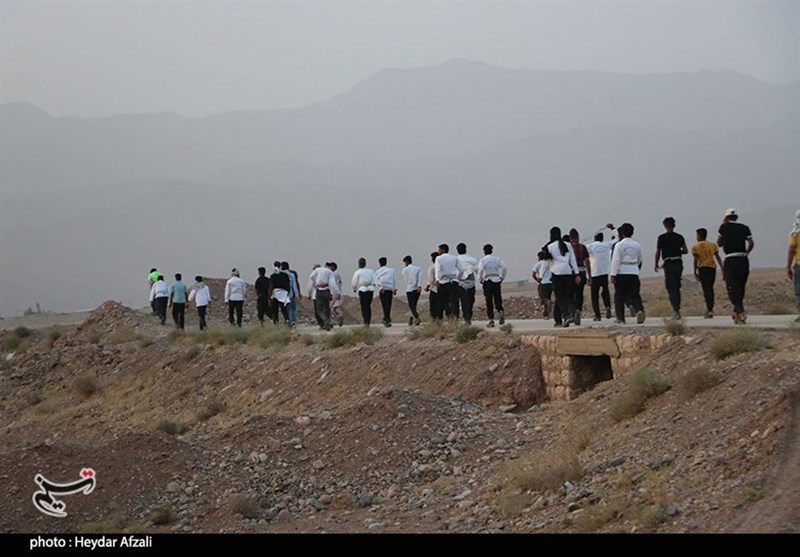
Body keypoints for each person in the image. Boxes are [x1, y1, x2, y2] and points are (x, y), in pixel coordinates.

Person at [717, 208, 754, 324]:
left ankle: (740, 311)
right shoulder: (744, 228)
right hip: (743, 259)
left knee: (732, 286)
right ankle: (736, 313)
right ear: (736, 217)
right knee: (740, 285)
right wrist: (746, 253)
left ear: (727, 217)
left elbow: (718, 243)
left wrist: (724, 225)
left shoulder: (723, 227)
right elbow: (751, 243)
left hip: (730, 259)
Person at [610, 222, 646, 325]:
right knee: (635, 294)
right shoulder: (637, 245)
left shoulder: (619, 245)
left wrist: (613, 274)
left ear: (621, 233)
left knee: (619, 296)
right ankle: (639, 310)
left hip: (621, 271)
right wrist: (635, 268)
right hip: (633, 271)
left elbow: (615, 260)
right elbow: (640, 259)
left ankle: (620, 318)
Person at [544, 228, 581, 327]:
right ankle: (560, 319)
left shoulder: (549, 247)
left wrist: (541, 275)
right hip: (568, 272)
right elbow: (573, 260)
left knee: (559, 297)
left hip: (556, 273)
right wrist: (577, 274)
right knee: (567, 296)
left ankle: (568, 314)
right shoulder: (568, 245)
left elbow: (547, 263)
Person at [654, 217, 688, 320]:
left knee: (671, 287)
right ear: (674, 225)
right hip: (678, 262)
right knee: (677, 287)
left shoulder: (661, 238)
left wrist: (656, 264)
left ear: (664, 225)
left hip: (668, 263)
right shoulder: (679, 237)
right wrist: (677, 251)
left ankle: (676, 310)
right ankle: (677, 309)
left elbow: (658, 252)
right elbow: (685, 250)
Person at [691, 228, 723, 319]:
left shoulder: (695, 247)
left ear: (699, 236)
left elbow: (695, 260)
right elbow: (717, 257)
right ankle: (710, 308)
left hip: (703, 269)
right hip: (712, 268)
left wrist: (694, 272)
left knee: (706, 289)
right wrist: (722, 268)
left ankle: (709, 309)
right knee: (710, 288)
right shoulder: (712, 245)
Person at [586, 226, 616, 321]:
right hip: (604, 272)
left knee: (594, 295)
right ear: (602, 238)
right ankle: (607, 306)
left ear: (595, 238)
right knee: (605, 291)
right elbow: (617, 238)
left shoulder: (590, 246)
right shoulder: (607, 245)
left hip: (595, 273)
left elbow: (581, 249)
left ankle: (597, 315)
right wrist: (613, 229)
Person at [477, 243, 507, 328]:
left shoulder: (483, 260)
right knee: (498, 298)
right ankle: (500, 310)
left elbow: (480, 270)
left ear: (484, 251)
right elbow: (504, 267)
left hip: (488, 281)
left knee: (489, 301)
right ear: (491, 250)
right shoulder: (497, 259)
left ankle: (491, 320)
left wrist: (480, 279)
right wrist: (502, 277)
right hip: (496, 281)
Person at [568, 228, 591, 325]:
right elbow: (587, 262)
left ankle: (573, 312)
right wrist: (590, 275)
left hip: (571, 273)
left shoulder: (568, 248)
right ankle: (578, 310)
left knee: (570, 294)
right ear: (578, 237)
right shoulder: (583, 247)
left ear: (570, 238)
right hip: (581, 273)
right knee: (579, 294)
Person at [308, 262, 339, 330]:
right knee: (327, 308)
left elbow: (311, 277)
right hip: (327, 291)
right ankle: (327, 323)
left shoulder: (317, 271)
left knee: (319, 310)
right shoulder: (330, 272)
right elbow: (332, 283)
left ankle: (325, 321)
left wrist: (315, 282)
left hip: (319, 291)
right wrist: (336, 292)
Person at [434, 244, 460, 320]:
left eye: (439, 250)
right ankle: (455, 317)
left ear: (443, 250)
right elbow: (459, 269)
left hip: (443, 282)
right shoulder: (454, 258)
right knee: (454, 301)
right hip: (453, 282)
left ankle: (439, 318)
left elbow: (438, 270)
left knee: (441, 301)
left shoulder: (439, 258)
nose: (438, 251)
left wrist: (437, 280)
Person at [455, 243, 479, 325]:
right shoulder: (472, 260)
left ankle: (466, 317)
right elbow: (478, 271)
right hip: (471, 282)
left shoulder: (455, 259)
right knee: (470, 300)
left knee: (463, 301)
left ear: (457, 250)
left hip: (460, 283)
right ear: (466, 249)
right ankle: (468, 316)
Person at [351, 257, 376, 326]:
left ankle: (366, 321)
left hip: (363, 290)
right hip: (370, 290)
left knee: (364, 306)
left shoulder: (358, 272)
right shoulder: (371, 271)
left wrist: (354, 288)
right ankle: (368, 320)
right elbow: (375, 280)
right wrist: (374, 285)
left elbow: (354, 282)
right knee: (368, 306)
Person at [375, 257, 397, 327]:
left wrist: (381, 287)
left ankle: (387, 319)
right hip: (389, 289)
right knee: (388, 305)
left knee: (385, 305)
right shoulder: (392, 271)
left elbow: (376, 281)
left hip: (383, 290)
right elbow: (395, 280)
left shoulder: (378, 272)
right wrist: (395, 289)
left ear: (379, 263)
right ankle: (387, 319)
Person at [402, 255, 423, 326]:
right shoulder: (418, 269)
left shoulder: (404, 270)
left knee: (412, 306)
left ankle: (416, 317)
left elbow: (405, 281)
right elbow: (419, 278)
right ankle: (411, 319)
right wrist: (419, 286)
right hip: (417, 289)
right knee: (414, 305)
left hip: (409, 289)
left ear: (406, 262)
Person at [532, 250, 553, 319]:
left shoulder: (538, 264)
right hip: (551, 283)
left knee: (543, 299)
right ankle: (546, 315)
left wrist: (538, 280)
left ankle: (547, 304)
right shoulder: (550, 263)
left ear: (539, 257)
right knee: (548, 297)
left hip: (543, 283)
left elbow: (533, 274)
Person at [788, 210, 800, 322]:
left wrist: (788, 267)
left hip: (799, 264)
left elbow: (792, 250)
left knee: (799, 289)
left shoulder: (795, 233)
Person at [283, 262, 301, 327]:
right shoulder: (291, 275)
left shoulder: (279, 275)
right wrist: (297, 294)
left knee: (286, 309)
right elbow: (294, 286)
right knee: (292, 308)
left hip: (283, 295)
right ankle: (293, 321)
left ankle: (288, 321)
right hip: (291, 294)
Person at [307, 264, 326, 328]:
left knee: (318, 310)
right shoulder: (325, 275)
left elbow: (310, 286)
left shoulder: (312, 276)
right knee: (325, 309)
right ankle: (326, 321)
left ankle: (321, 324)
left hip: (316, 295)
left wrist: (309, 295)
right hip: (326, 293)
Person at [328, 262, 345, 327]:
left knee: (330, 307)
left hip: (332, 292)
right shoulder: (337, 275)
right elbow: (340, 284)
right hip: (338, 292)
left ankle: (331, 321)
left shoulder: (331, 275)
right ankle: (339, 315)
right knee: (336, 307)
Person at [424, 252, 440, 321]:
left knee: (433, 306)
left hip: (434, 289)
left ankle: (434, 319)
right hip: (442, 288)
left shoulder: (432, 268)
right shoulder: (441, 266)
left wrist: (427, 287)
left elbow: (430, 280)